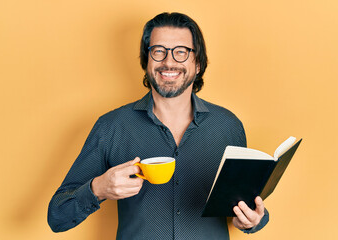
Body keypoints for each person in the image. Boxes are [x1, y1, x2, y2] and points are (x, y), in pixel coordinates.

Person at [48, 12, 269, 239]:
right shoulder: (111, 127)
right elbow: (57, 216)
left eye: (181, 52)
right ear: (146, 62)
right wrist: (98, 189)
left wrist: (252, 220)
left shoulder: (228, 127)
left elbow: (248, 204)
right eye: (158, 51)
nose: (169, 62)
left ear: (198, 64)